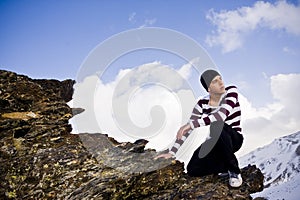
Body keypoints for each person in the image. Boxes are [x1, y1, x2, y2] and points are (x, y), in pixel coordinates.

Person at [155, 69, 244, 188]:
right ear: (209, 89)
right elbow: (186, 130)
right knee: (193, 169)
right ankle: (223, 167)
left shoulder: (231, 91)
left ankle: (234, 171)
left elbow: (221, 115)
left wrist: (192, 124)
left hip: (234, 138)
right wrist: (172, 152)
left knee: (217, 124)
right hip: (215, 142)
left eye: (220, 79)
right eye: (215, 81)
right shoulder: (202, 103)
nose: (221, 83)